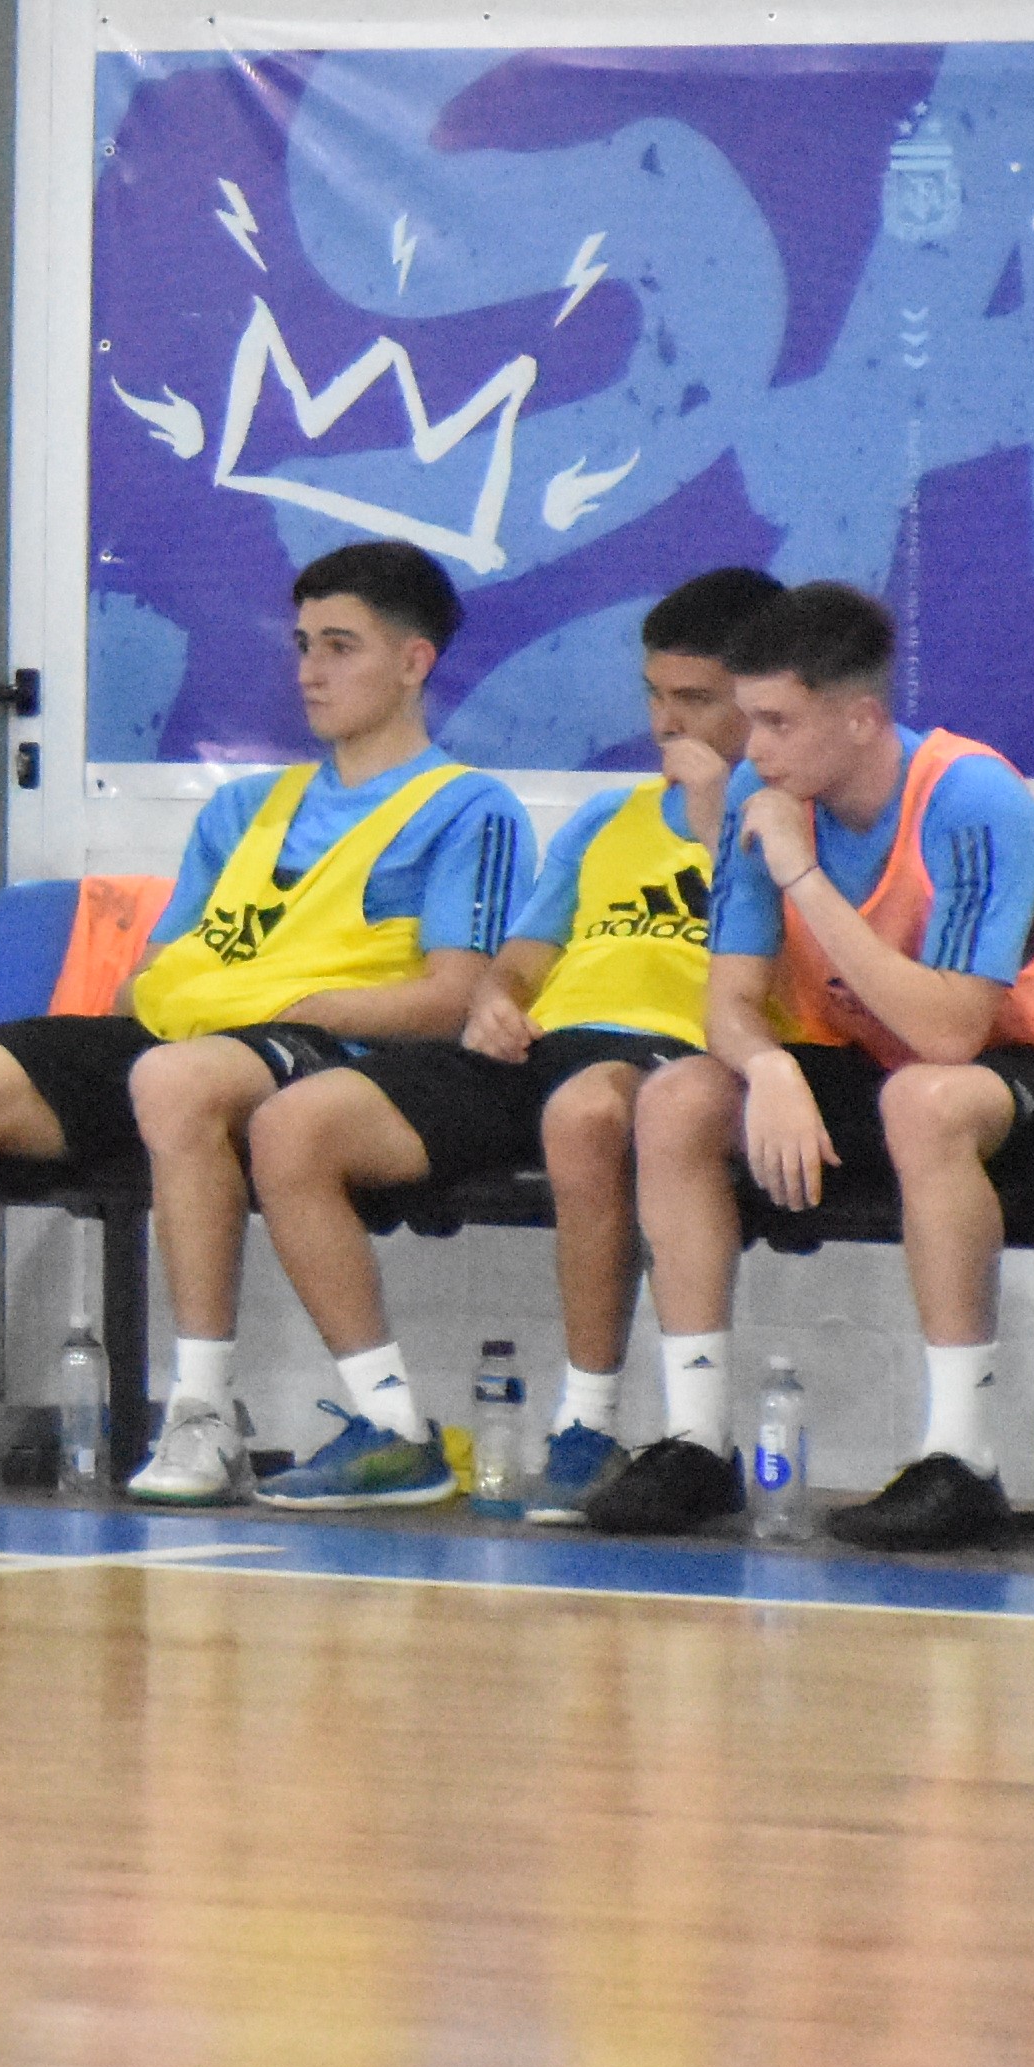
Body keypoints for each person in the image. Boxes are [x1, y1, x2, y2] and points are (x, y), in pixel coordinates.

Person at [0, 538, 526, 1507]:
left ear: (414, 662)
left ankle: (203, 1413)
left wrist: (297, 1007)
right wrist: (172, 1007)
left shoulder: (467, 808)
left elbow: (455, 995)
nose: (310, 670)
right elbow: (159, 970)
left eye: (341, 646)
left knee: (178, 1078)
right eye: (302, 644)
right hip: (198, 1042)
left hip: (336, 1047)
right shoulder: (248, 807)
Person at [208, 566, 782, 1518]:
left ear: (761, 700)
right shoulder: (608, 820)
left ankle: (589, 1422)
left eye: (697, 700)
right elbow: (520, 958)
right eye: (655, 695)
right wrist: (497, 1002)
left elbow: (796, 976)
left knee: (587, 1110)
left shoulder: (787, 827)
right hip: (539, 1049)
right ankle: (389, 1427)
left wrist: (728, 821)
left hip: (668, 1057)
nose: (667, 723)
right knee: (296, 1126)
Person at [606, 579, 1034, 1551]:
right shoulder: (762, 794)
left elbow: (951, 1030)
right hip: (904, 1071)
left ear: (861, 717)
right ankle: (695, 1440)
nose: (758, 748)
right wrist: (771, 1072)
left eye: (778, 722)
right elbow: (727, 1006)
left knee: (926, 1097)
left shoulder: (972, 796)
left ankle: (963, 1457)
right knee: (683, 1095)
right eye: (749, 721)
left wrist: (803, 877)